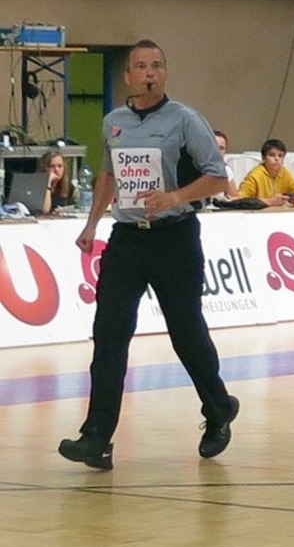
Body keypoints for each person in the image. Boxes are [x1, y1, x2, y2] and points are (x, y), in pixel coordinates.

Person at [58, 40, 240, 472]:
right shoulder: (114, 122)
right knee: (109, 334)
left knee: (186, 332)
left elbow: (218, 177)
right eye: (140, 66)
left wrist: (174, 196)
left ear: (165, 73)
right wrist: (92, 223)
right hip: (127, 239)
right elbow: (108, 174)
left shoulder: (185, 119)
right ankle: (97, 437)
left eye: (156, 65)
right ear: (128, 77)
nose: (149, 73)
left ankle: (218, 407)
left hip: (174, 238)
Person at [238, 138, 294, 208]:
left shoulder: (285, 173)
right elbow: (240, 200)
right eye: (272, 155)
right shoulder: (255, 175)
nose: (277, 159)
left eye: (280, 156)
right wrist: (270, 201)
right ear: (263, 158)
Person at [33, 149, 77, 214]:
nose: (56, 170)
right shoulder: (35, 187)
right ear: (44, 168)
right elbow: (45, 210)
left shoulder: (69, 187)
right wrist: (48, 182)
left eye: (60, 166)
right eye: (51, 166)